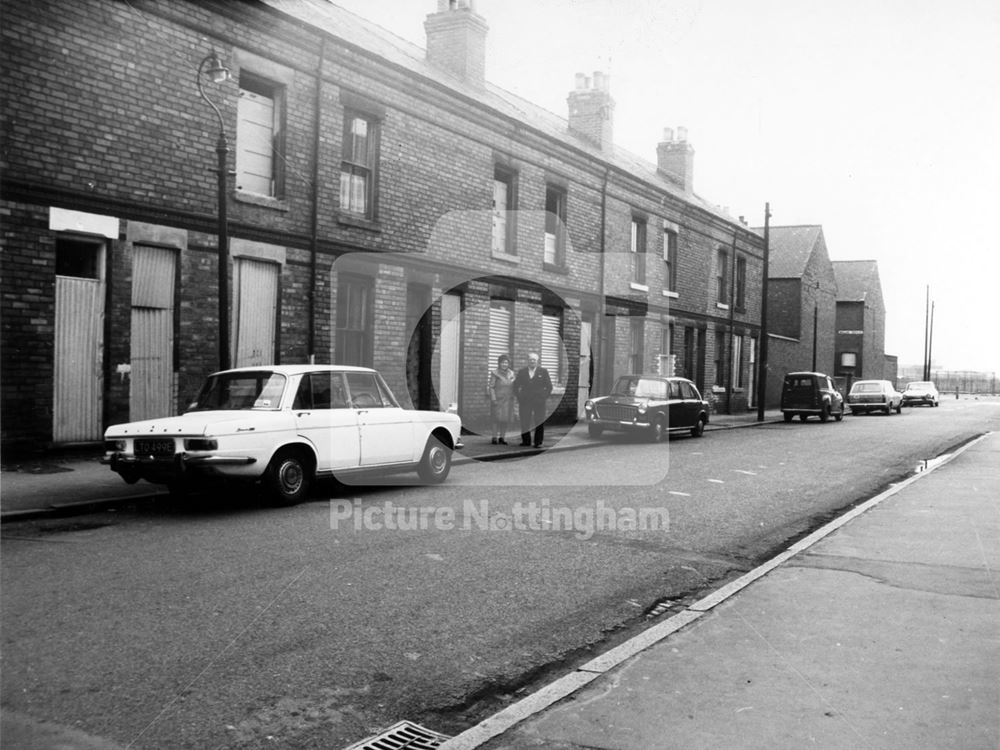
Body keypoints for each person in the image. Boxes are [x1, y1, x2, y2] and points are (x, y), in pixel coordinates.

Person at [512, 351, 553, 448]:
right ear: (527, 361)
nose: (532, 361)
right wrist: (520, 397)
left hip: (539, 402)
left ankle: (538, 442)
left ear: (537, 361)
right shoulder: (522, 372)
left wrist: (543, 397)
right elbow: (515, 386)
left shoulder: (543, 372)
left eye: (534, 360)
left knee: (539, 421)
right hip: (525, 401)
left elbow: (549, 387)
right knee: (524, 421)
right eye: (530, 359)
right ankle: (526, 441)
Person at [488, 354, 515, 445]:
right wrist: (493, 399)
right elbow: (491, 387)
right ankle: (494, 437)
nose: (504, 364)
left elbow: (513, 385)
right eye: (503, 362)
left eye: (506, 362)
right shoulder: (495, 373)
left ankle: (502, 437)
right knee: (496, 419)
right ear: (499, 363)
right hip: (498, 400)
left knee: (505, 419)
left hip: (507, 400)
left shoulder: (511, 373)